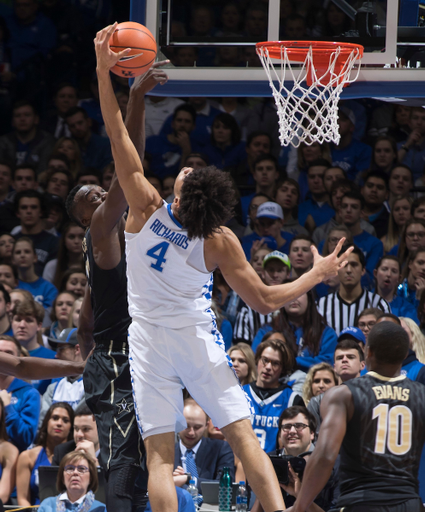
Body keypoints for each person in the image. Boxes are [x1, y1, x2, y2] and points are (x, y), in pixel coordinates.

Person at [94, 24, 353, 512]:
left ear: (179, 191)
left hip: (147, 337)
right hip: (195, 335)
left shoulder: (144, 206)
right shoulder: (217, 240)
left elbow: (119, 141)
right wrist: (316, 275)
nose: (188, 168)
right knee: (242, 437)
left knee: (158, 458)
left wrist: (107, 75)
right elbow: (265, 300)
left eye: (190, 170)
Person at [69, 62, 169, 512]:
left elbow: (86, 317)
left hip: (134, 352)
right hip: (117, 359)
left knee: (150, 463)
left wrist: (82, 346)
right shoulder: (100, 229)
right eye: (89, 198)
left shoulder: (121, 243)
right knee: (122, 466)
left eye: (97, 191)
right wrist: (135, 99)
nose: (98, 196)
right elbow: (127, 175)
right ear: (85, 219)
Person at [289, 322, 425, 512]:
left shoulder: (343, 394)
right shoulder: (421, 395)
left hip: (361, 502)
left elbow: (325, 456)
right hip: (409, 503)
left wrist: (299, 506)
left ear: (367, 353)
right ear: (405, 354)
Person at [253, 288, 338, 371]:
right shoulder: (267, 330)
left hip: (314, 382)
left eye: (299, 294)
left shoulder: (326, 333)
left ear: (309, 298)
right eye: (290, 295)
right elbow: (254, 358)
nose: (294, 299)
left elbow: (328, 362)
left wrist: (291, 362)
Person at [243, 338, 303, 453]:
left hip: (276, 465)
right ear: (257, 360)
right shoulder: (241, 393)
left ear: (283, 369)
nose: (268, 367)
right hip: (241, 463)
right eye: (265, 360)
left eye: (275, 363)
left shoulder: (292, 400)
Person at [318, 246, 390, 334]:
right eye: (344, 265)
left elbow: (387, 338)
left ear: (363, 270)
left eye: (354, 265)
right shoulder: (322, 305)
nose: (349, 270)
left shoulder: (379, 304)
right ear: (336, 270)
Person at [17, 402, 74, 506]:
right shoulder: (27, 457)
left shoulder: (78, 458)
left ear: (71, 428)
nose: (59, 423)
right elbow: (23, 498)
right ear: (46, 422)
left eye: (65, 420)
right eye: (55, 418)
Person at [173, 398, 235, 493]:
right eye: (186, 426)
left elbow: (226, 486)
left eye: (197, 427)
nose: (191, 432)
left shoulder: (221, 448)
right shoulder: (166, 452)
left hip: (209, 507)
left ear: (206, 425)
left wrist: (188, 479)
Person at [233, 250, 291, 345]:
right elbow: (242, 348)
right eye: (271, 270)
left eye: (280, 270)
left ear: (288, 274)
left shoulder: (295, 305)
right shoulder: (249, 309)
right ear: (263, 273)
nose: (275, 275)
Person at [39, 328, 85, 426]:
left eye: (61, 349)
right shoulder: (53, 388)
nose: (56, 355)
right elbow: (43, 423)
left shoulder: (92, 385)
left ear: (77, 349)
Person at [338, 191, 384, 288]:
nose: (348, 210)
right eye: (345, 206)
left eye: (354, 207)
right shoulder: (328, 241)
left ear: (362, 213)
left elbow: (370, 278)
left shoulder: (375, 244)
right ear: (340, 211)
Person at [38, 450, 106, 512]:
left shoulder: (101, 508)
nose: (75, 472)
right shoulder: (48, 505)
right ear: (62, 478)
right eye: (70, 468)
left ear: (91, 477)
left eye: (81, 469)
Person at [13, 190, 59, 275]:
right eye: (24, 207)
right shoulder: (12, 241)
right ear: (17, 213)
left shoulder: (54, 242)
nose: (29, 211)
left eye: (34, 207)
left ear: (41, 212)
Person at [12, 237, 58, 311]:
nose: (22, 255)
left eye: (27, 251)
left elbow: (49, 316)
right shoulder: (11, 286)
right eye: (18, 252)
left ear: (35, 257)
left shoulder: (49, 289)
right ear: (13, 259)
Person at [330, 106, 372, 182]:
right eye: (335, 120)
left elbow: (360, 177)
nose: (338, 123)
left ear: (352, 127)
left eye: (343, 120)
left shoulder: (363, 150)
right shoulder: (327, 148)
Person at [64, 106, 112, 171]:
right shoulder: (69, 147)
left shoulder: (105, 144)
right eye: (72, 126)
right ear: (69, 129)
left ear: (89, 122)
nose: (77, 128)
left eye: (80, 123)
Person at [374, 255, 419, 321]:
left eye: (394, 271)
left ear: (399, 278)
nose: (388, 274)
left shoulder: (407, 308)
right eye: (384, 269)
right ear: (375, 273)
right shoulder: (364, 300)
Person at [42, 222, 85, 288]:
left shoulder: (93, 265)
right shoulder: (52, 266)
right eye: (71, 237)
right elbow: (47, 292)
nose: (76, 241)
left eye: (81, 237)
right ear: (64, 240)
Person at [361, 171, 390, 239]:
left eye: (379, 187)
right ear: (362, 190)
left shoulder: (391, 222)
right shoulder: (352, 215)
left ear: (386, 194)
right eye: (370, 186)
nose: (374, 190)